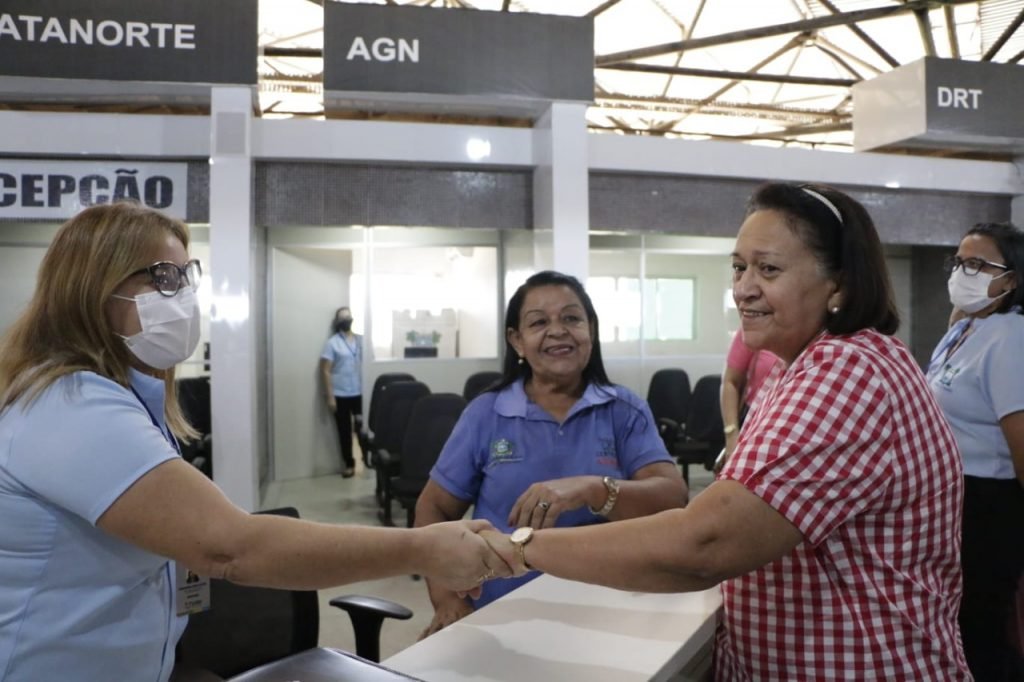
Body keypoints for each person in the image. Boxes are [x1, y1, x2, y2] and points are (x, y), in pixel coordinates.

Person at [477, 184, 972, 680]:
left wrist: (515, 548)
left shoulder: (846, 371)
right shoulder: (792, 368)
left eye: (768, 269)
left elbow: (704, 543)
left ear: (838, 285)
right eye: (739, 268)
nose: (743, 289)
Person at [0, 202, 509, 681]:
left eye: (187, 277)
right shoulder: (71, 405)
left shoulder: (118, 397)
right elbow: (232, 547)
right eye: (164, 277)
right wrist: (422, 549)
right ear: (93, 288)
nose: (183, 297)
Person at [414, 270, 688, 638]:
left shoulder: (624, 410)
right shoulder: (487, 413)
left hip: (609, 607)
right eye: (539, 322)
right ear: (517, 340)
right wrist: (447, 599)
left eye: (571, 318)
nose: (558, 331)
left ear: (591, 329)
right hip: (500, 614)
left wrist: (594, 489)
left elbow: (672, 499)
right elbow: (433, 508)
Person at [926, 221, 1024, 681]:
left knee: (981, 630)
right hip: (955, 500)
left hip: (989, 506)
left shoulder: (1011, 338)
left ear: (1011, 278)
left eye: (977, 264)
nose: (962, 273)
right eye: (959, 262)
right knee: (958, 625)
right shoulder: (966, 327)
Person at [717, 330, 783, 469]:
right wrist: (731, 436)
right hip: (754, 424)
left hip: (791, 426)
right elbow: (730, 382)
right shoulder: (754, 327)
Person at [320, 305, 368, 477]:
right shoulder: (332, 343)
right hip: (340, 394)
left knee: (362, 428)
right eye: (342, 317)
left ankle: (368, 460)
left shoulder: (361, 340)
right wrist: (330, 396)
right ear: (337, 321)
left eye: (348, 316)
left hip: (359, 392)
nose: (346, 320)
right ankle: (349, 464)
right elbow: (325, 370)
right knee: (344, 431)